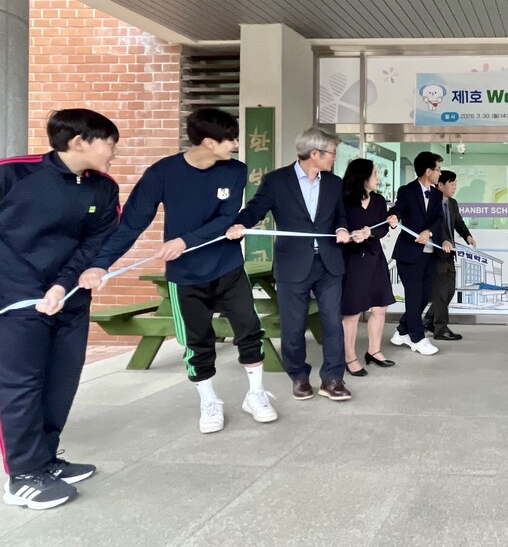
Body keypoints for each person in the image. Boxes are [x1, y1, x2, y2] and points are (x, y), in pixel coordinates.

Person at [81, 109, 275, 434]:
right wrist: (101, 264)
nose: (235, 145)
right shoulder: (162, 173)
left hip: (228, 267)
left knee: (249, 328)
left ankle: (255, 394)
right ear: (209, 142)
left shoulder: (236, 171)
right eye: (231, 139)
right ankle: (209, 400)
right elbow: (131, 224)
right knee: (197, 340)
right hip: (185, 276)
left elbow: (226, 218)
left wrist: (184, 241)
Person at [0, 108, 119, 509]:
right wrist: (27, 287)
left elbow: (95, 243)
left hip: (69, 299)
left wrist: (62, 284)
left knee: (62, 379)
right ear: (79, 141)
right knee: (21, 384)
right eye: (109, 143)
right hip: (15, 301)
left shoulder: (103, 189)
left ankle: (45, 460)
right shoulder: (13, 174)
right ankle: (22, 474)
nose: (114, 152)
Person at [228, 128, 353, 402]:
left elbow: (340, 215)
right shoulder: (277, 181)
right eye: (332, 153)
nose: (335, 157)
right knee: (293, 326)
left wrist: (342, 229)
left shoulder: (334, 183)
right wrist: (239, 224)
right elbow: (255, 209)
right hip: (293, 265)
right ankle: (298, 376)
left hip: (329, 263)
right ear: (315, 153)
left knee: (333, 323)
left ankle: (333, 379)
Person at [390, 151, 451, 356]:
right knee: (414, 296)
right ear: (428, 171)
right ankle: (416, 338)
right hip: (409, 254)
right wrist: (393, 216)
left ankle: (402, 331)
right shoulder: (407, 191)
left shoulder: (436, 194)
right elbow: (398, 208)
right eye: (438, 169)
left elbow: (437, 218)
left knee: (426, 295)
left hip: (429, 253)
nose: (440, 173)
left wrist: (430, 232)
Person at [340, 158, 398, 376]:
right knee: (352, 312)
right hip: (352, 259)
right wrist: (350, 235)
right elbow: (336, 226)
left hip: (375, 258)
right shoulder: (343, 200)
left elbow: (383, 228)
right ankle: (349, 357)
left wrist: (370, 232)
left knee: (380, 307)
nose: (378, 178)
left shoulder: (379, 200)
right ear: (362, 177)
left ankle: (374, 351)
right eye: (375, 174)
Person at [424, 169, 476, 341]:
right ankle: (440, 329)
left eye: (455, 184)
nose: (454, 187)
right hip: (436, 254)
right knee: (440, 293)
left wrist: (467, 236)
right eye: (451, 184)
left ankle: (429, 321)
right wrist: (443, 240)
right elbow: (433, 226)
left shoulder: (452, 203)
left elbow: (458, 222)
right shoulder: (431, 202)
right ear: (440, 185)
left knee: (450, 290)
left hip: (449, 254)